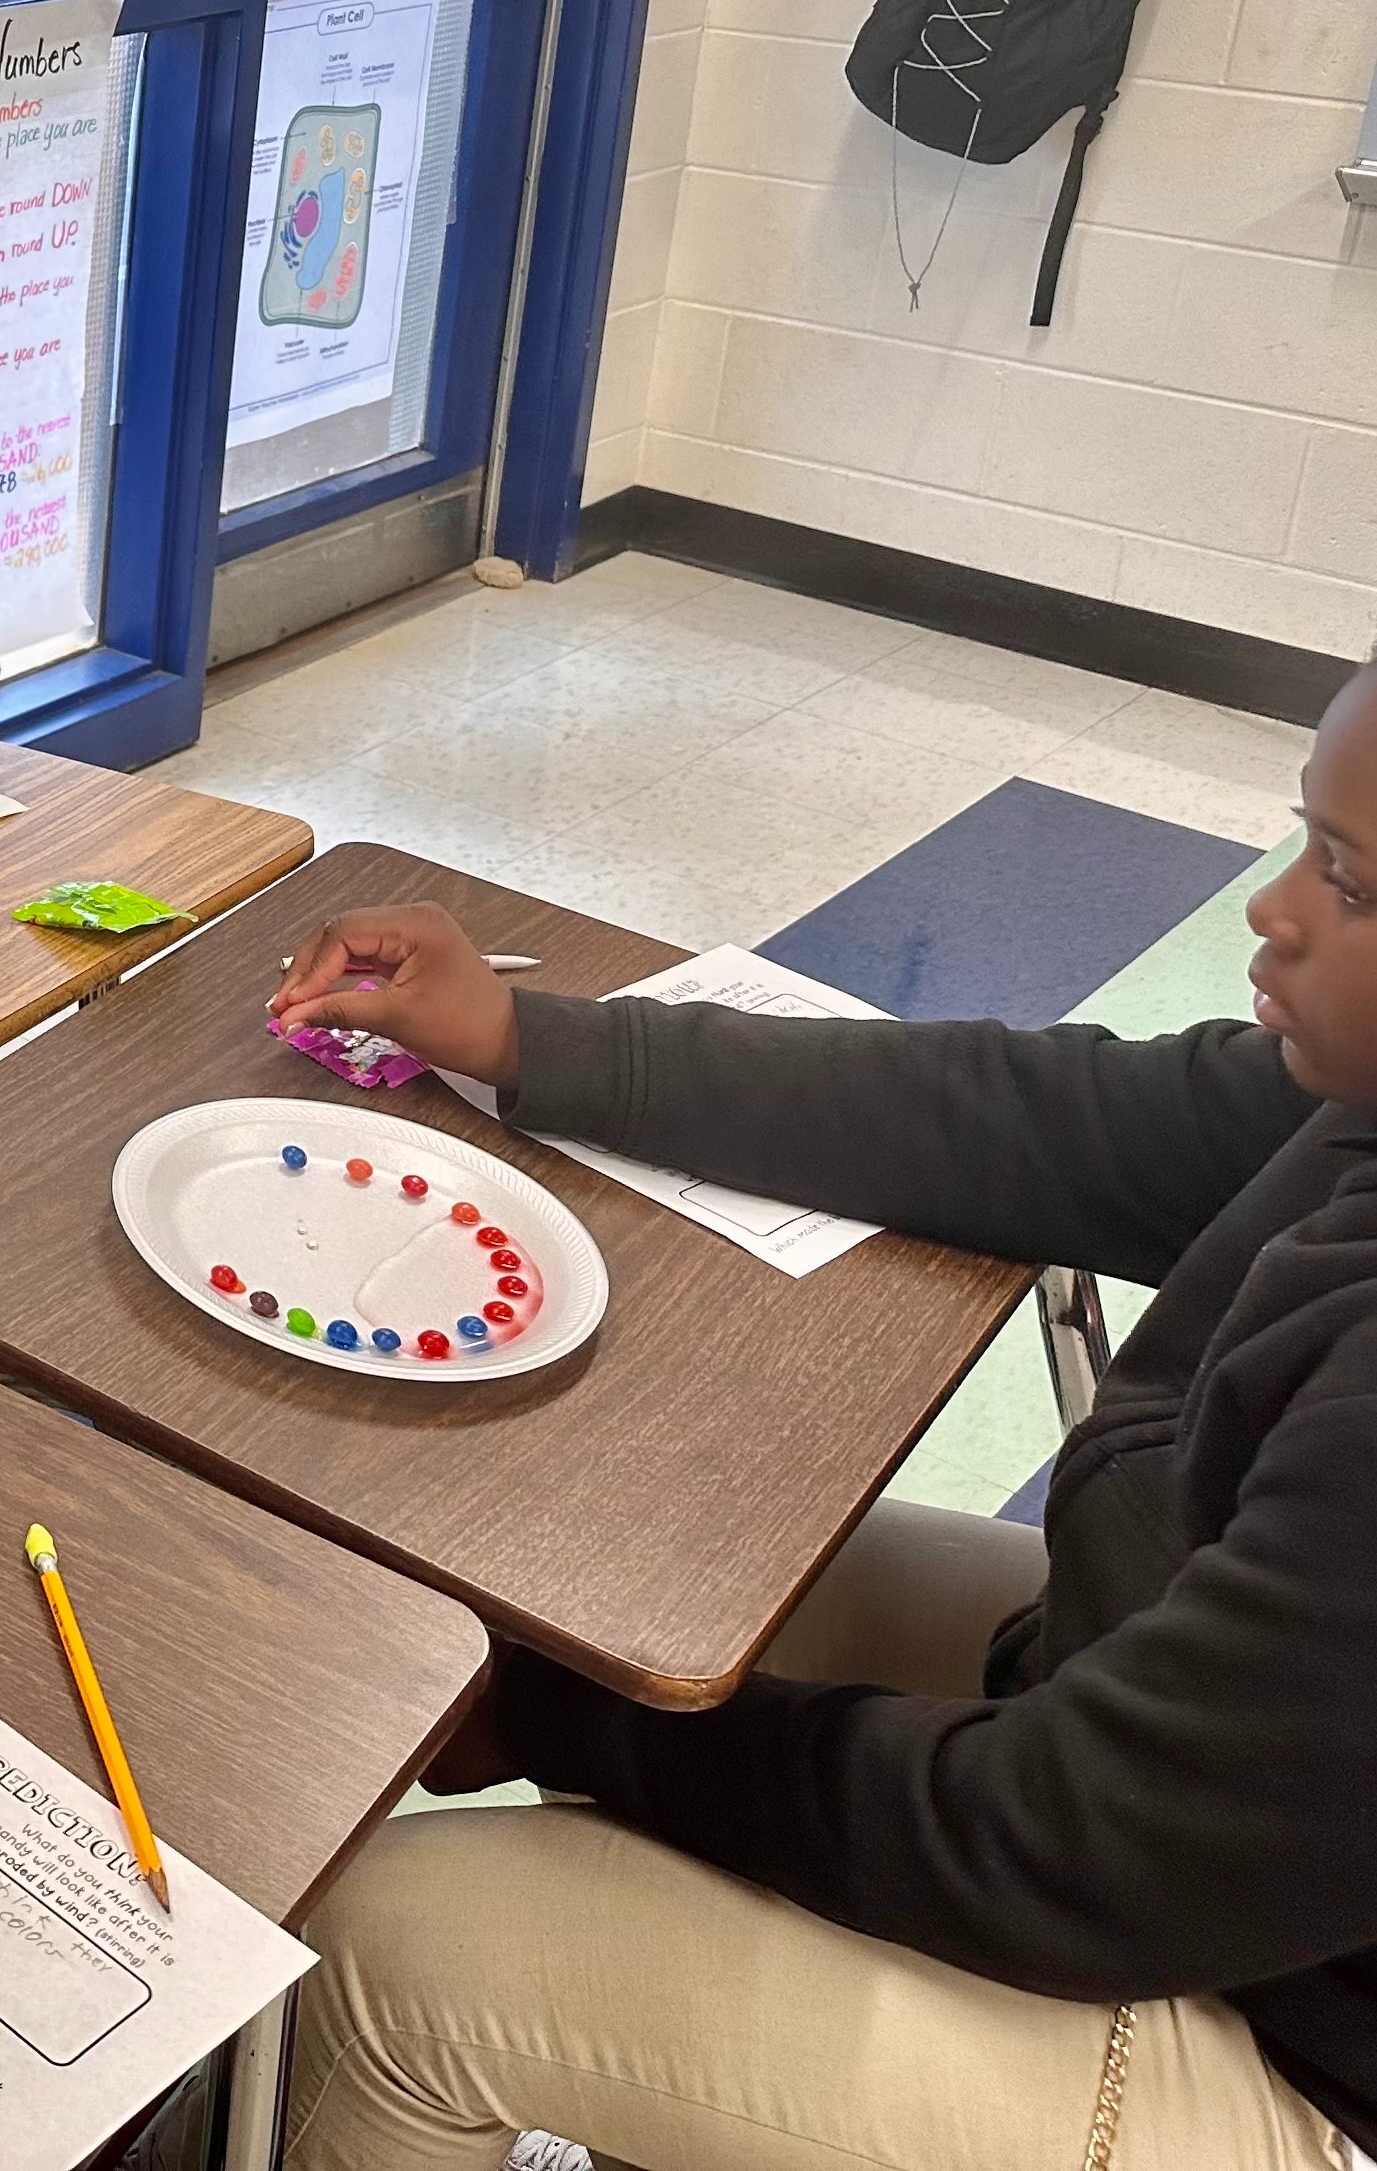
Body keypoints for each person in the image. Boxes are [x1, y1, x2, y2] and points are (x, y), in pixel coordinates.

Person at [263, 667, 1377, 2171]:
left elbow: (1065, 1848)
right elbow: (1029, 1116)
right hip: (1192, 1762)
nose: (1277, 911)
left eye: (1354, 884)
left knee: (402, 1944)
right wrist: (538, 1041)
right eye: (1306, 842)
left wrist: (556, 1723)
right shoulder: (1347, 1097)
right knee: (680, 1569)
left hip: (1299, 2046)